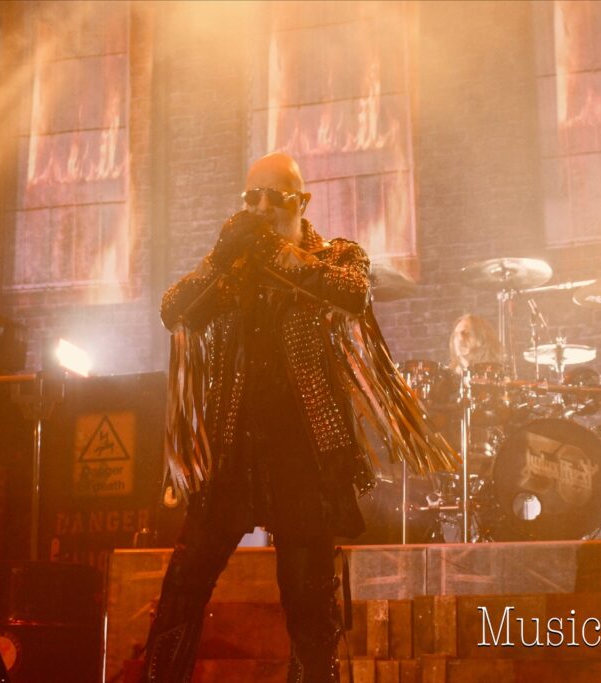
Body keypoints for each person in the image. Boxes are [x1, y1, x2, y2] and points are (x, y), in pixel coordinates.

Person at [145, 152, 454, 682]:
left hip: (305, 454)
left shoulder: (337, 256)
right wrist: (219, 257)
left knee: (308, 600)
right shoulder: (232, 270)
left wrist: (272, 250)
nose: (262, 207)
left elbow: (352, 293)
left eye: (275, 197)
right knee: (184, 583)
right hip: (233, 450)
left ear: (302, 202)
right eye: (252, 197)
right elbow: (173, 309)